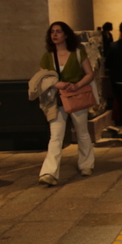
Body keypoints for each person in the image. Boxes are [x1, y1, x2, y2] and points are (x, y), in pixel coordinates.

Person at [36, 21, 95, 186]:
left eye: (58, 31)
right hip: (56, 100)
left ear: (66, 35)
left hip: (77, 97)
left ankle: (86, 165)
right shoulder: (48, 56)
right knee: (55, 136)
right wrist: (57, 84)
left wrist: (77, 85)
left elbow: (89, 74)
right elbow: (42, 78)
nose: (54, 35)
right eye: (52, 32)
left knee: (82, 132)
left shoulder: (77, 53)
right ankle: (49, 172)